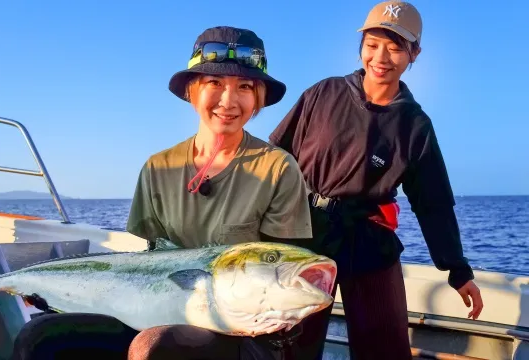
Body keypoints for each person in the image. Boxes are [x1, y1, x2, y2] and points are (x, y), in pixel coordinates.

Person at [268, 1, 484, 359]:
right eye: (372, 45)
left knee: (386, 349)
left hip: (367, 238)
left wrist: (457, 269)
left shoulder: (415, 126)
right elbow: (275, 159)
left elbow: (433, 204)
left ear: (414, 53)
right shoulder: (324, 93)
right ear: (362, 46)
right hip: (303, 232)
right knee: (290, 348)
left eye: (396, 47)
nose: (381, 57)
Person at [123, 26, 322, 360]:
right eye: (214, 83)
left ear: (258, 98)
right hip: (162, 311)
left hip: (242, 331)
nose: (229, 101)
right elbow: (154, 258)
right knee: (41, 336)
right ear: (192, 91)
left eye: (245, 87)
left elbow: (278, 272)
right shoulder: (158, 167)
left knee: (154, 347)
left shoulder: (277, 169)